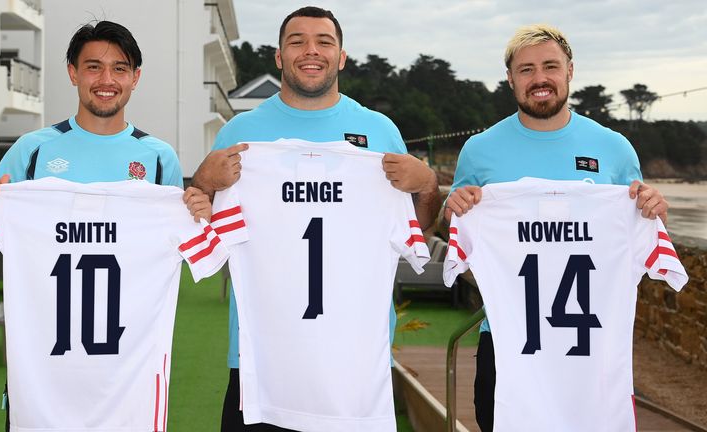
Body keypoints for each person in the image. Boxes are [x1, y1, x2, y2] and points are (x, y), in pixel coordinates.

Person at [191, 6, 441, 431]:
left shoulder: (379, 132)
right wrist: (203, 183)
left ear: (341, 56)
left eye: (324, 42)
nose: (311, 51)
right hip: (260, 357)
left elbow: (420, 229)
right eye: (297, 41)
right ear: (278, 56)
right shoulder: (240, 133)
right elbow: (200, 222)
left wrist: (428, 186)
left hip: (355, 358)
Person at [0, 20, 210, 430]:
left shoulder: (160, 157)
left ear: (135, 78)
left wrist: (199, 211)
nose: (106, 80)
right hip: (42, 378)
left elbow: (174, 251)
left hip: (129, 377)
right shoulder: (33, 149)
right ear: (73, 72)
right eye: (93, 67)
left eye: (120, 68)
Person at [443, 24, 668, 432]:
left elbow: (640, 226)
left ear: (569, 71)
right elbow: (457, 225)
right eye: (526, 70)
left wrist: (654, 209)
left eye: (550, 66)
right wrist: (453, 207)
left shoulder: (613, 148)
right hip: (510, 338)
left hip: (591, 343)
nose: (540, 78)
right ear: (510, 79)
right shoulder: (480, 150)